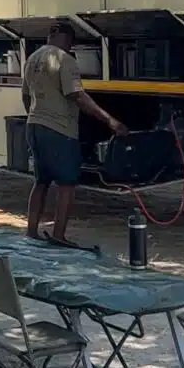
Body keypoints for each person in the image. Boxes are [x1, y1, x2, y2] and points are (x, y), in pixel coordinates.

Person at [22, 21, 128, 245]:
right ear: (67, 39)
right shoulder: (65, 60)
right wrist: (109, 120)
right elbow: (76, 95)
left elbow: (25, 96)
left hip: (34, 126)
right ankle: (59, 235)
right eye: (71, 42)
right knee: (67, 184)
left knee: (40, 181)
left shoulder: (31, 59)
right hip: (59, 130)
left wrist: (37, 115)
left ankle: (31, 232)